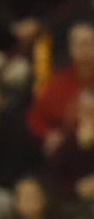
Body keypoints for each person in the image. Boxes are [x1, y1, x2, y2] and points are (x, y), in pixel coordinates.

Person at [28, 19, 94, 154]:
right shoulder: (58, 80)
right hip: (65, 151)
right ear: (71, 48)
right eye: (81, 44)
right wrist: (48, 135)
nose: (85, 50)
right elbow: (36, 116)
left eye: (90, 44)